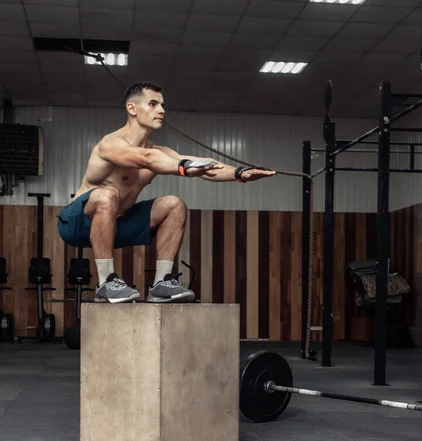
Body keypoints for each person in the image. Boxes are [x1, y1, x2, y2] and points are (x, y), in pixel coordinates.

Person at [57, 82, 276, 303]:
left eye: (162, 105)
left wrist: (239, 173)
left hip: (118, 225)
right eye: (153, 104)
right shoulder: (111, 144)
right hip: (78, 223)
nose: (161, 110)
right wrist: (184, 166)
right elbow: (146, 159)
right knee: (107, 194)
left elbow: (205, 168)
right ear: (132, 109)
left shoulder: (159, 151)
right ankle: (106, 283)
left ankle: (161, 284)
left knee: (174, 204)